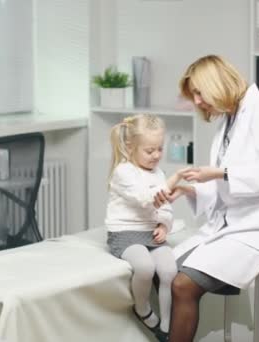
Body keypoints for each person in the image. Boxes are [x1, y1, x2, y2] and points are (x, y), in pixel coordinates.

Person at [153, 55, 259, 342]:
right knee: (163, 272)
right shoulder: (229, 120)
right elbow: (226, 189)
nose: (197, 102)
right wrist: (190, 189)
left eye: (199, 92)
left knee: (183, 285)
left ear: (216, 83)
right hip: (235, 224)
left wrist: (219, 172)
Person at [105, 114, 179, 342]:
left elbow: (164, 207)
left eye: (160, 149)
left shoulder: (158, 173)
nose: (156, 155)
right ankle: (142, 307)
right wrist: (173, 181)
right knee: (145, 268)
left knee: (169, 271)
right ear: (131, 147)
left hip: (150, 230)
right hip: (125, 232)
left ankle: (166, 326)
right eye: (149, 151)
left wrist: (164, 226)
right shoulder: (123, 172)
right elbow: (144, 198)